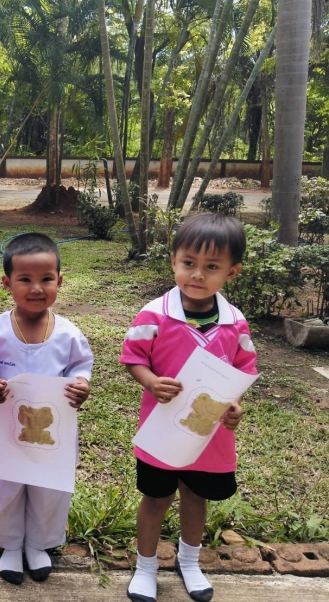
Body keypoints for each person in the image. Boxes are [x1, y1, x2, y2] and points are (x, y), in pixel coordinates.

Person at [121, 212, 257, 602]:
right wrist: (151, 381)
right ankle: (146, 567)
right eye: (188, 263)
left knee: (196, 496)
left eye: (211, 267)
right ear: (173, 261)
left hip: (208, 434)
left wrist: (235, 405)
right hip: (162, 432)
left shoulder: (235, 324)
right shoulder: (155, 314)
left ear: (232, 272)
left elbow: (243, 371)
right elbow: (132, 357)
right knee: (156, 498)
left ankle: (190, 560)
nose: (197, 274)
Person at [0, 232, 92, 585]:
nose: (36, 288)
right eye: (25, 279)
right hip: (7, 428)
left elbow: (81, 366)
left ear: (60, 281)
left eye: (46, 279)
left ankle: (39, 543)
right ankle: (10, 544)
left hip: (53, 431)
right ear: (6, 282)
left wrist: (81, 384)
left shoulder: (68, 334)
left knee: (49, 489)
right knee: (6, 486)